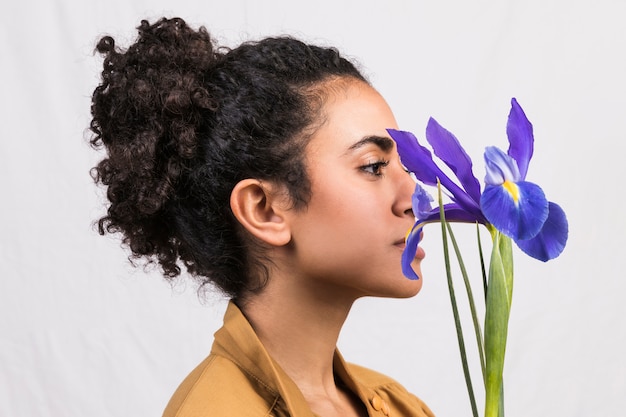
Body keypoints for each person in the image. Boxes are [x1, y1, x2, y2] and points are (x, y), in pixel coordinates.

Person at [89, 17, 433, 417]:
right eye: (373, 166)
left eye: (404, 166)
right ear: (263, 209)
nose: (417, 199)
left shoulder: (400, 406)